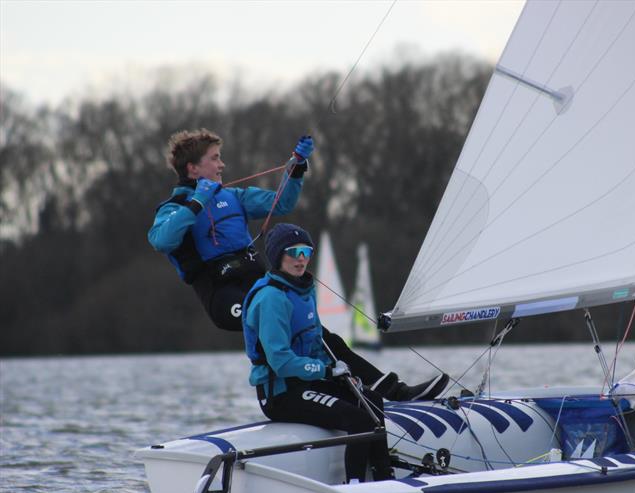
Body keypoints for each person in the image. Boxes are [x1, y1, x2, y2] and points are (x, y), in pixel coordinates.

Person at [148, 128, 448, 402]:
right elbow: (161, 240)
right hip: (222, 295)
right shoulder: (175, 208)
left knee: (321, 336)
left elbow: (281, 203)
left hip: (261, 286)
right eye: (215, 159)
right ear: (193, 168)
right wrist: (196, 202)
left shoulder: (233, 197)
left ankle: (387, 392)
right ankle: (310, 398)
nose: (222, 165)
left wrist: (296, 169)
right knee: (289, 334)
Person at [242, 223, 393, 482]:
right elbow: (280, 361)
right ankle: (355, 486)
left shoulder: (303, 290)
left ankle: (384, 476)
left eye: (306, 252)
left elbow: (314, 345)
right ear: (278, 256)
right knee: (358, 420)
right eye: (293, 252)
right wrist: (325, 371)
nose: (301, 259)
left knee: (372, 402)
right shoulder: (271, 299)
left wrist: (338, 376)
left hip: (307, 384)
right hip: (281, 394)